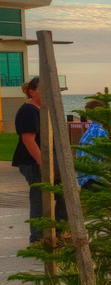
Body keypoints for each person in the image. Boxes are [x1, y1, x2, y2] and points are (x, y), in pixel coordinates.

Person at [10, 77, 67, 244]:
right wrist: (44, 163)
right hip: (33, 162)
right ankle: (38, 239)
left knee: (63, 195)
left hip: (49, 161)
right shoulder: (29, 111)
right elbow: (28, 139)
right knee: (40, 198)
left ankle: (59, 233)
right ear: (31, 92)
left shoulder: (42, 110)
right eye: (43, 90)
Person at [76, 99, 110, 191]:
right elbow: (107, 156)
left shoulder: (88, 132)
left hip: (84, 179)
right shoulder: (101, 132)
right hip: (96, 179)